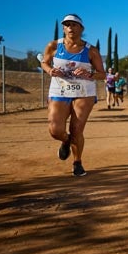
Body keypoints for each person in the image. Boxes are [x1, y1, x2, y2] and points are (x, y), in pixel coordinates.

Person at [41, 14, 105, 177]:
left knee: (76, 129)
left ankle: (77, 162)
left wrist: (89, 72)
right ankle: (65, 141)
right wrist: (50, 70)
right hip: (59, 90)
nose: (70, 27)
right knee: (55, 130)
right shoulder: (54, 46)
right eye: (67, 24)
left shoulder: (91, 51)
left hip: (83, 93)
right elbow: (44, 62)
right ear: (63, 28)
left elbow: (102, 74)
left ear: (81, 29)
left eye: (74, 24)